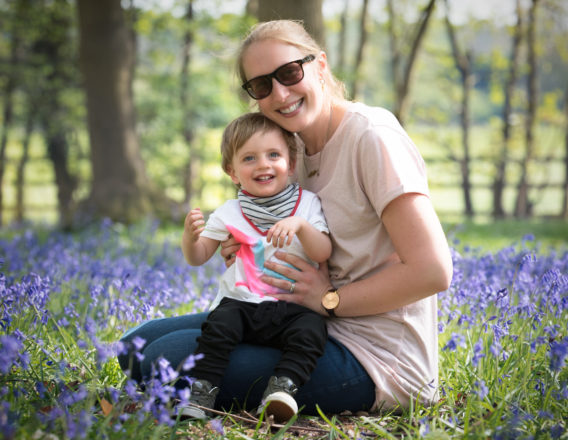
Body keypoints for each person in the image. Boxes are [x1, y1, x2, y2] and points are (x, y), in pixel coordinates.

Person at [118, 19, 453, 416]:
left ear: (321, 66)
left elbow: (433, 271)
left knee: (161, 358)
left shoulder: (372, 138)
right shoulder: (289, 149)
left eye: (290, 72)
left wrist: (328, 300)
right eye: (262, 85)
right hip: (295, 320)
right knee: (134, 345)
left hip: (374, 356)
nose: (280, 92)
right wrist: (245, 245)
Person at [177, 112, 331, 422]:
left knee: (312, 330)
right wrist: (190, 239)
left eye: (273, 155)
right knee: (217, 327)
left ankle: (282, 390)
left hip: (292, 306)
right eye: (249, 158)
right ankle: (202, 393)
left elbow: (323, 249)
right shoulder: (229, 212)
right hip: (241, 305)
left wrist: (300, 226)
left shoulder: (307, 204)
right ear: (232, 172)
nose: (263, 164)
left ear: (290, 163)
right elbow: (199, 256)